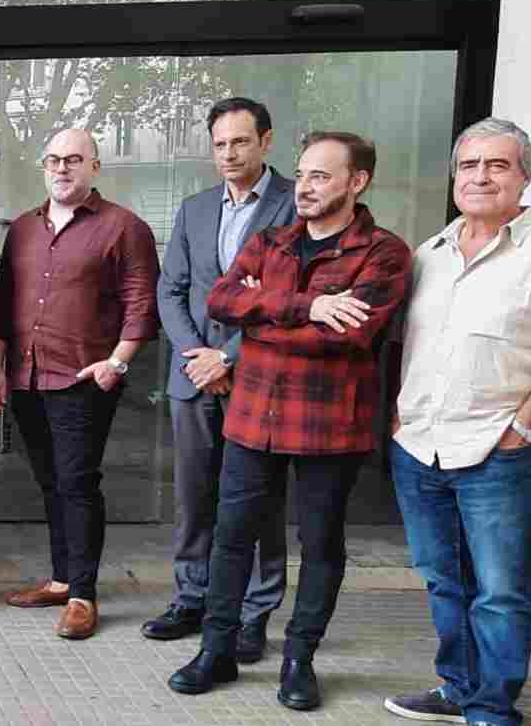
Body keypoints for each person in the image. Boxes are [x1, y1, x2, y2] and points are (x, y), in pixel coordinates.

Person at [168, 132, 412, 711]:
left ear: (357, 182)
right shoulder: (270, 240)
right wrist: (308, 307)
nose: (304, 186)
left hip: (330, 425)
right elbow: (222, 303)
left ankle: (299, 659)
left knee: (321, 544)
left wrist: (264, 316)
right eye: (302, 174)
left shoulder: (384, 252)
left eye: (321, 176)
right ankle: (217, 650)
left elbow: (352, 334)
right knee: (232, 538)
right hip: (253, 417)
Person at [382, 119, 531, 726]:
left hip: (500, 451)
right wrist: (399, 415)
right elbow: (405, 344)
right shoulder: (430, 255)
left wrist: (525, 425)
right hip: (420, 449)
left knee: (501, 592)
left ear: (523, 177)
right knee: (444, 583)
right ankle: (458, 688)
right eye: (469, 166)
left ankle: (493, 708)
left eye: (497, 165)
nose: (480, 177)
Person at [0, 128, 159, 642]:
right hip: (26, 375)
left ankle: (83, 595)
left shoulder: (123, 228)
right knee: (50, 481)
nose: (62, 168)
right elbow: (1, 305)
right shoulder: (21, 229)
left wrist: (117, 363)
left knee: (78, 483)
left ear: (95, 167)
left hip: (83, 377)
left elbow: (141, 306)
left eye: (74, 160)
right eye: (54, 160)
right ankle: (62, 579)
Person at [149, 98, 294, 658]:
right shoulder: (195, 208)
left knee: (257, 498)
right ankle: (193, 597)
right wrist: (195, 354)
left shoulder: (291, 207)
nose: (229, 153)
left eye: (240, 142)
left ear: (265, 141)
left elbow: (285, 301)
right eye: (220, 144)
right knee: (194, 494)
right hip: (193, 379)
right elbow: (171, 290)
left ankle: (253, 614)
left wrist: (227, 357)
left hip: (258, 379)